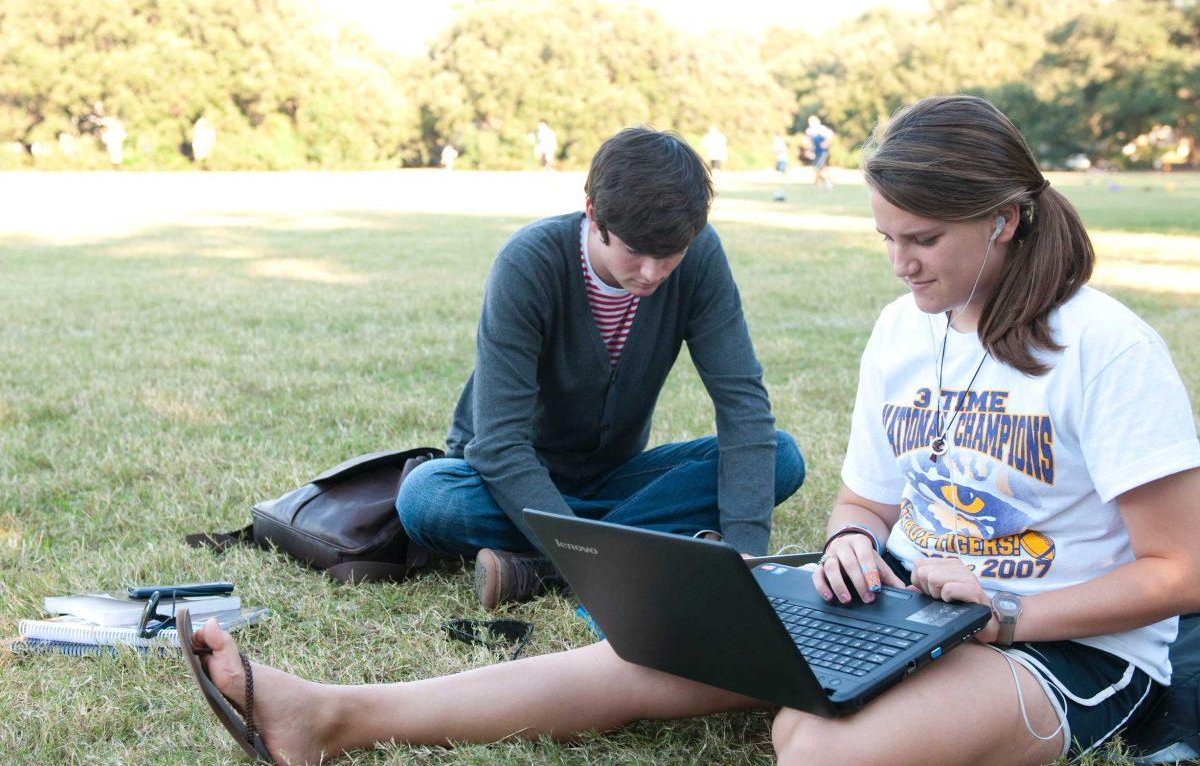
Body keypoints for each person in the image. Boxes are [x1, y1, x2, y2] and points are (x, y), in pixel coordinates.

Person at [183, 97, 1200, 766]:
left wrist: (1008, 616)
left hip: (1054, 646)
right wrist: (848, 542)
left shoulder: (1105, 347)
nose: (899, 265)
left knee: (810, 737)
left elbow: (1181, 570)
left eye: (922, 239)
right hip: (899, 605)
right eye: (885, 237)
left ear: (1007, 220)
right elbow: (865, 503)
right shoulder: (905, 332)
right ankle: (328, 713)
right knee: (651, 641)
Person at [396, 126, 804, 610]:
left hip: (613, 474)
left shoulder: (700, 254)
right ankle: (630, 546)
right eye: (635, 251)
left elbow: (744, 407)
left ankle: (539, 569)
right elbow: (499, 445)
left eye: (669, 255)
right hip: (505, 482)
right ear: (593, 214)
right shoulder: (528, 263)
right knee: (426, 498)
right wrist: (583, 549)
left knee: (780, 457)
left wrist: (745, 558)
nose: (652, 273)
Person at [805, 115, 833, 190]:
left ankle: (820, 183)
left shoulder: (822, 129)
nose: (810, 123)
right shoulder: (809, 131)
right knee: (823, 168)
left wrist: (825, 144)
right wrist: (808, 151)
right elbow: (809, 142)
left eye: (812, 121)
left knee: (817, 167)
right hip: (816, 152)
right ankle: (827, 182)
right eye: (809, 121)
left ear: (817, 121)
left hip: (822, 152)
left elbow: (830, 136)